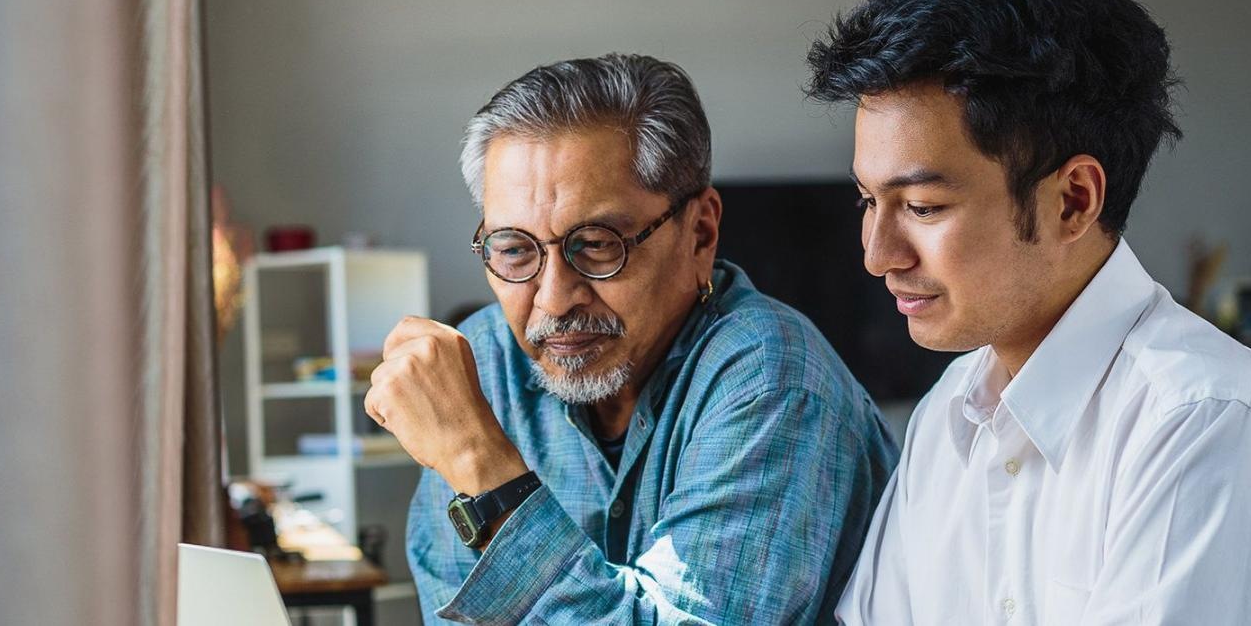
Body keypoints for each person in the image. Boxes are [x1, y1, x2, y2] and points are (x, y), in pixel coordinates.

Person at [807, 0, 1251, 624]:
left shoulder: (1203, 420)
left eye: (922, 207)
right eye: (868, 200)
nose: (878, 254)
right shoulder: (948, 414)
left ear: (1073, 199)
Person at [365, 52, 899, 624]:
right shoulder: (483, 367)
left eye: (596, 244)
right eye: (515, 250)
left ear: (700, 232)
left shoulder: (773, 381)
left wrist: (482, 467)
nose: (551, 299)